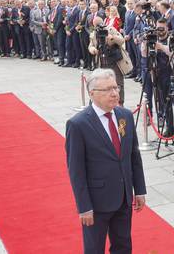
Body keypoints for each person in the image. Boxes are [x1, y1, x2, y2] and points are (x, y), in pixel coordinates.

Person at [66, 68, 146, 254]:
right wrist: (84, 207)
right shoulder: (78, 124)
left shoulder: (125, 115)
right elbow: (76, 171)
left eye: (116, 87)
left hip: (124, 197)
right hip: (97, 202)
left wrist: (139, 189)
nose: (114, 93)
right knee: (94, 249)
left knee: (123, 246)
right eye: (108, 89)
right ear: (92, 93)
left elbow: (133, 156)